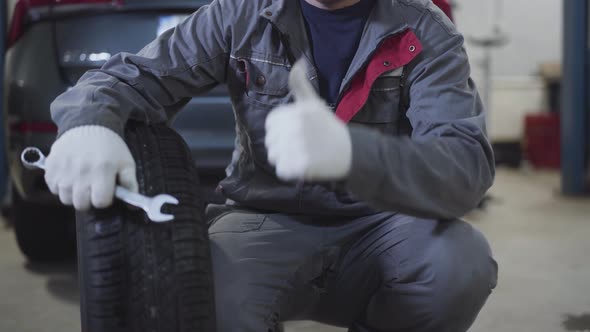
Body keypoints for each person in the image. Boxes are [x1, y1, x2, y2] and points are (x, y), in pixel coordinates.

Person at [45, 0, 498, 330]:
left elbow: (465, 166)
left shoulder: (424, 29)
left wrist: (352, 154)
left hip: (378, 222)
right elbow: (129, 77)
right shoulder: (240, 13)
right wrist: (89, 125)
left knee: (460, 263)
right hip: (261, 217)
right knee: (203, 299)